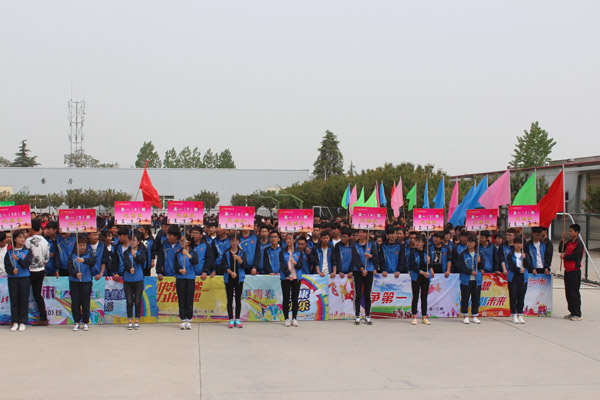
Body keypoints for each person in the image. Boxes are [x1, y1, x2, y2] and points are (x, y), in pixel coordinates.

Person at [4, 230, 33, 331]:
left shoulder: (28, 251)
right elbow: (7, 266)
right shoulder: (9, 253)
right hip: (13, 279)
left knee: (23, 299)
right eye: (20, 237)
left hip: (24, 278)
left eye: (23, 237)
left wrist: (18, 259)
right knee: (14, 299)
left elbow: (26, 264)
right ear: (15, 239)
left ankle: (22, 321)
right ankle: (15, 321)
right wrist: (12, 271)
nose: (22, 239)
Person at [350, 229, 379, 325]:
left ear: (367, 233)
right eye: (360, 232)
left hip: (369, 271)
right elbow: (355, 259)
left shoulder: (372, 244)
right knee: (357, 294)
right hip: (358, 272)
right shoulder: (355, 245)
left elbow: (376, 258)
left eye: (363, 232)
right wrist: (362, 269)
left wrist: (370, 256)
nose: (361, 234)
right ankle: (357, 316)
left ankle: (368, 316)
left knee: (367, 294)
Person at [67, 235, 97, 331]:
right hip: (74, 282)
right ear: (76, 246)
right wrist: (75, 274)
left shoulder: (89, 254)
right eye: (80, 245)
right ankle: (76, 322)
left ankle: (85, 322)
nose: (82, 247)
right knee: (75, 302)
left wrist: (83, 260)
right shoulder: (72, 256)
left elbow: (93, 262)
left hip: (86, 281)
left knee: (85, 302)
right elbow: (69, 268)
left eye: (84, 245)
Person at [25, 219, 50, 326]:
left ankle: (21, 317)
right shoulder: (45, 241)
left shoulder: (28, 241)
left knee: (24, 293)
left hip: (29, 271)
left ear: (31, 228)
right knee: (37, 295)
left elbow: (25, 256)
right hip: (41, 270)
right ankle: (44, 317)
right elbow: (47, 258)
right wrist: (41, 265)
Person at [221, 233, 248, 328]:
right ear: (230, 242)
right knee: (229, 300)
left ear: (239, 242)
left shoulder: (242, 253)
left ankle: (237, 318)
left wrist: (239, 259)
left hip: (239, 279)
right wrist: (230, 272)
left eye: (236, 241)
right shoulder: (226, 253)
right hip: (229, 278)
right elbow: (223, 265)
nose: (234, 242)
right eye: (232, 241)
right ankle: (230, 319)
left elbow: (245, 265)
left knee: (238, 300)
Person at [122, 233, 147, 330]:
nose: (132, 242)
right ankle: (129, 320)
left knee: (137, 301)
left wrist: (135, 256)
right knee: (129, 301)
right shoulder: (126, 252)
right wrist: (129, 268)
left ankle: (137, 320)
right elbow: (126, 263)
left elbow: (142, 260)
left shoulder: (141, 251)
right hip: (128, 280)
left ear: (139, 242)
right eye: (130, 240)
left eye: (134, 240)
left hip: (138, 279)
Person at [560, 224, 584, 321]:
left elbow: (575, 256)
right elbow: (561, 249)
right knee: (568, 292)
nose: (569, 233)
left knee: (574, 292)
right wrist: (562, 240)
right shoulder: (569, 242)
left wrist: (565, 257)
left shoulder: (579, 244)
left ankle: (577, 313)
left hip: (574, 271)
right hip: (567, 270)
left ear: (576, 232)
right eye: (569, 231)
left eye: (571, 231)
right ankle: (572, 311)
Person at [458, 235, 485, 324]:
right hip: (466, 280)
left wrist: (479, 262)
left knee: (476, 298)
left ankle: (475, 315)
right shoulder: (463, 254)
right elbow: (460, 267)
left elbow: (482, 266)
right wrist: (470, 272)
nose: (470, 244)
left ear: (475, 243)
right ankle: (465, 315)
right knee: (465, 298)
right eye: (468, 242)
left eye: (472, 242)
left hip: (477, 280)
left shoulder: (479, 254)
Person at [506, 236, 533, 324]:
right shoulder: (510, 255)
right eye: (517, 243)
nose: (518, 245)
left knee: (521, 296)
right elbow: (510, 266)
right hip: (513, 277)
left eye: (520, 243)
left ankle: (520, 314)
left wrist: (525, 258)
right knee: (513, 296)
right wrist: (518, 270)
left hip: (523, 277)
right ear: (514, 244)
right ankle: (514, 314)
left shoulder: (525, 255)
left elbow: (529, 265)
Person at [174, 233, 199, 330]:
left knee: (189, 299)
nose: (181, 242)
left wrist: (188, 255)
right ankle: (182, 319)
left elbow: (195, 262)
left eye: (183, 241)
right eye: (180, 241)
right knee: (181, 299)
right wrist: (180, 270)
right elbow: (175, 266)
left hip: (190, 279)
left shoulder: (193, 253)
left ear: (188, 242)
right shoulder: (177, 254)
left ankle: (189, 319)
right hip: (180, 279)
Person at [280, 233, 304, 327]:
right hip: (286, 278)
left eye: (290, 239)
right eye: (287, 239)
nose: (288, 240)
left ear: (294, 240)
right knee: (286, 298)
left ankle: (294, 318)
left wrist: (295, 263)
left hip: (296, 278)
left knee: (295, 298)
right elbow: (282, 265)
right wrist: (288, 274)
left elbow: (300, 265)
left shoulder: (299, 252)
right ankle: (286, 318)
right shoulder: (282, 252)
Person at [409, 234, 433, 325]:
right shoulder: (412, 252)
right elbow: (413, 265)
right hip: (416, 276)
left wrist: (429, 262)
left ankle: (424, 317)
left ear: (423, 243)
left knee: (424, 297)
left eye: (418, 241)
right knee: (415, 296)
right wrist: (422, 272)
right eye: (416, 241)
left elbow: (430, 266)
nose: (416, 243)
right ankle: (414, 316)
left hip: (426, 277)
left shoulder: (427, 252)